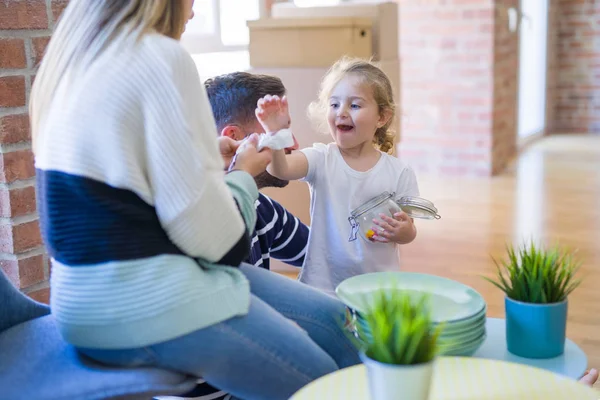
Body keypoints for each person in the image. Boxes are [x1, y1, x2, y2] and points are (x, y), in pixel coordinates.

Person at [29, 1, 360, 399]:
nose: (195, 11)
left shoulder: (73, 65)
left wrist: (198, 156)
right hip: (144, 302)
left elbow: (122, 195)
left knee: (333, 319)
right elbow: (219, 244)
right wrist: (243, 176)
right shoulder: (161, 56)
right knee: (325, 382)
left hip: (82, 301)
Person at [257, 57, 419, 296]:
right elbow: (279, 170)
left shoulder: (399, 172)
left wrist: (404, 231)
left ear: (382, 117)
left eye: (354, 105)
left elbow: (409, 229)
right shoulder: (322, 159)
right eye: (334, 105)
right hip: (322, 286)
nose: (341, 112)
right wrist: (275, 134)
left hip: (377, 289)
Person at [204, 72, 308, 271]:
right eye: (276, 131)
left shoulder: (264, 210)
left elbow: (321, 254)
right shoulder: (202, 220)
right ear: (234, 136)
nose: (294, 144)